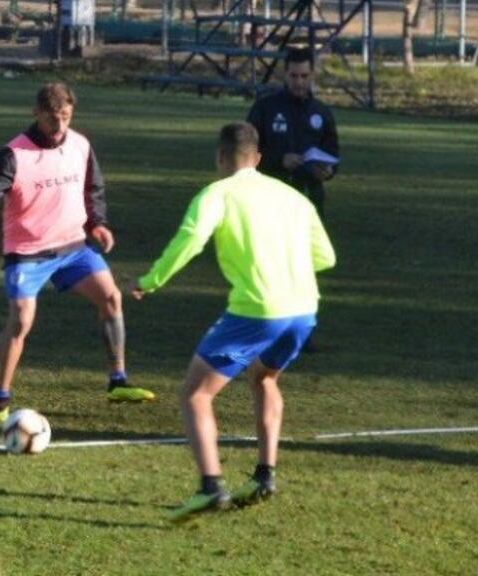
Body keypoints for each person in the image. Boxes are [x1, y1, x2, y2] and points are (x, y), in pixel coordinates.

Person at [130, 122, 336, 520]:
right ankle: (264, 476)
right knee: (265, 378)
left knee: (195, 394)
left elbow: (190, 240)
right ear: (257, 158)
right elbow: (326, 257)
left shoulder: (217, 193)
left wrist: (151, 280)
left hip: (258, 309)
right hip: (304, 308)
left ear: (221, 156)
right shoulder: (293, 197)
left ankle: (211, 486)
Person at [0, 82, 154, 423]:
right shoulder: (15, 154)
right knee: (21, 321)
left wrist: (97, 223)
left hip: (73, 247)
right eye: (52, 118)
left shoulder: (80, 145)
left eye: (66, 117)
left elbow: (92, 187)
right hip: (28, 252)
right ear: (36, 113)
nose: (59, 125)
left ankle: (118, 382)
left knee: (111, 297)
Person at [245, 46, 339, 216]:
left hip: (310, 198)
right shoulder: (265, 108)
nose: (299, 82)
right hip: (270, 196)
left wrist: (328, 171)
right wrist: (280, 160)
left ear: (312, 75)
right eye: (294, 76)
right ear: (285, 74)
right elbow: (247, 151)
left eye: (304, 76)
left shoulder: (322, 112)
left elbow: (332, 152)